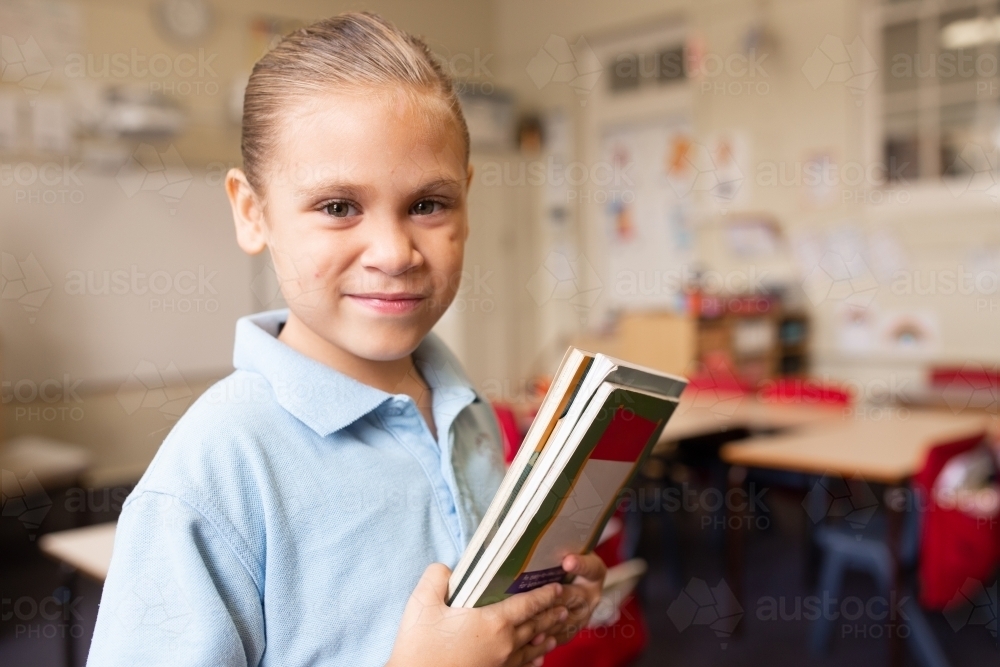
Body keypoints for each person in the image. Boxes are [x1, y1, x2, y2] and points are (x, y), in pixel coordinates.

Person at [87, 12, 605, 667]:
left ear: (467, 203)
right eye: (338, 207)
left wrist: (534, 607)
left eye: (428, 204)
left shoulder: (461, 404)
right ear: (253, 212)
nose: (393, 252)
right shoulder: (214, 469)